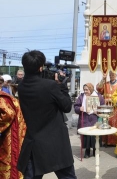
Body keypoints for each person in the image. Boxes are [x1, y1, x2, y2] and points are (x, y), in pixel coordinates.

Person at [17, 50, 76, 178]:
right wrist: (62, 85)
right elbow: (66, 106)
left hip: (34, 142)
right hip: (56, 142)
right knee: (67, 176)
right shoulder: (50, 86)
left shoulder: (21, 87)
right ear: (40, 67)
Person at [74, 83, 105, 158]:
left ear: (91, 89)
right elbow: (76, 106)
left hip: (94, 118)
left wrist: (98, 111)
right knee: (86, 135)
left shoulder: (98, 96)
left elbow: (103, 106)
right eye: (84, 89)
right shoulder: (81, 97)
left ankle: (95, 150)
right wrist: (79, 109)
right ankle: (87, 151)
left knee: (94, 135)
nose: (85, 91)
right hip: (84, 118)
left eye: (87, 90)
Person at [0, 91, 26, 179]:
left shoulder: (3, 98)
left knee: (9, 162)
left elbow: (8, 114)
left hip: (10, 136)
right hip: (14, 134)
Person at [96, 70, 117, 146]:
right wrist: (103, 79)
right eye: (110, 75)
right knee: (106, 122)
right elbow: (99, 89)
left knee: (114, 123)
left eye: (113, 75)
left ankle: (114, 141)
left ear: (116, 75)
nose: (112, 76)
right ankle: (105, 141)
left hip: (115, 107)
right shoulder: (105, 84)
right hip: (106, 106)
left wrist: (114, 100)